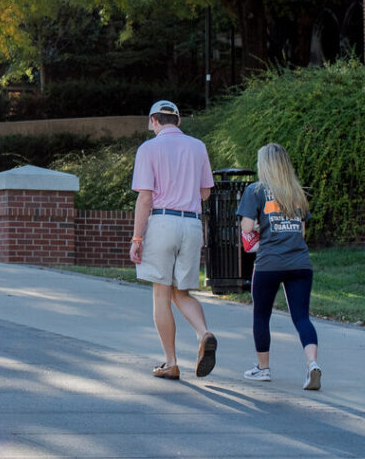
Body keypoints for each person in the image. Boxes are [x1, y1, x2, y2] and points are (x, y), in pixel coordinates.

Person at [130, 100, 217, 380]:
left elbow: (145, 198)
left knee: (161, 294)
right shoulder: (198, 146)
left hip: (163, 220)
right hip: (191, 224)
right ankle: (204, 333)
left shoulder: (148, 149)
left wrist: (137, 237)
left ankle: (171, 362)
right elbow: (205, 193)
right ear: (178, 121)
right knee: (182, 293)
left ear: (153, 121)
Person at [237, 142, 322, 390]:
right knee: (302, 317)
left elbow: (246, 227)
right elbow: (302, 232)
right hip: (300, 264)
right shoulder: (297, 193)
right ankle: (312, 364)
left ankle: (263, 369)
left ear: (264, 165)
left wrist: (257, 227)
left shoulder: (255, 191)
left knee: (262, 315)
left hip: (269, 263)